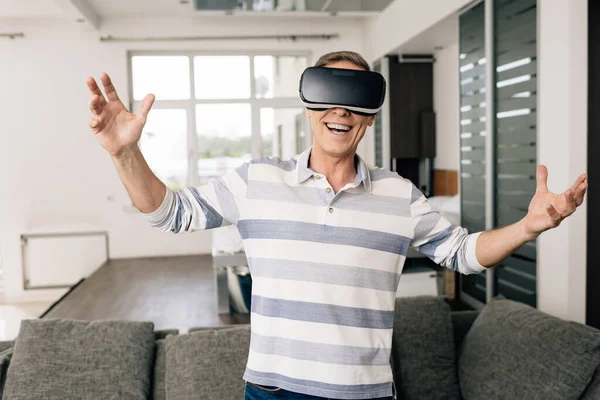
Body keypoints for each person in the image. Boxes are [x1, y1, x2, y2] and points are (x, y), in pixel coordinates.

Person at [86, 51, 587, 400]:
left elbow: (462, 252)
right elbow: (169, 213)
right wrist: (124, 152)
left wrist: (528, 227)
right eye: (327, 94)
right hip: (272, 391)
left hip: (363, 392)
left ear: (369, 118)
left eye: (355, 100)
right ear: (309, 105)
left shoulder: (399, 195)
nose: (340, 109)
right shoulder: (255, 180)